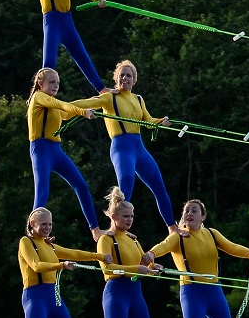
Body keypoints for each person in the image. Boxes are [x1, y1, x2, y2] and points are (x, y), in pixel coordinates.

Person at [71, 61, 181, 235]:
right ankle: (116, 228)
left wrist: (161, 122)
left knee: (159, 186)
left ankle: (172, 227)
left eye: (128, 75)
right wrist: (62, 106)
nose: (125, 78)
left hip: (139, 148)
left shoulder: (138, 99)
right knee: (126, 184)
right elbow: (85, 103)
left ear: (134, 79)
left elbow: (149, 121)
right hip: (121, 149)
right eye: (121, 75)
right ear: (116, 78)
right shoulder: (109, 97)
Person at [18, 207, 112, 318]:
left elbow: (74, 253)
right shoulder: (26, 242)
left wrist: (99, 256)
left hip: (54, 298)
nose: (48, 227)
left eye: (50, 224)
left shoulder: (49, 245)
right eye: (43, 224)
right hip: (35, 298)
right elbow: (36, 266)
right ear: (32, 224)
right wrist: (61, 265)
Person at [97, 188, 165, 318]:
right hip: (116, 293)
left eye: (132, 216)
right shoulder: (106, 239)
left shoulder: (133, 239)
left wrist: (154, 266)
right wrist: (138, 269)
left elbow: (143, 263)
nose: (130, 220)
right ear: (114, 217)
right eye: (126, 216)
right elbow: (108, 269)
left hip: (135, 294)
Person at [25, 67, 105, 239]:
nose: (56, 86)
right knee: (43, 191)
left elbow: (75, 105)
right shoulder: (38, 98)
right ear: (40, 84)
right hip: (41, 150)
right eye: (52, 82)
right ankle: (33, 234)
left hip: (56, 151)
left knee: (81, 185)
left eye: (58, 83)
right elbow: (62, 104)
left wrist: (106, 99)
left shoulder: (52, 104)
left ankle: (95, 231)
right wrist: (83, 113)